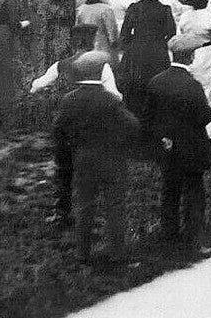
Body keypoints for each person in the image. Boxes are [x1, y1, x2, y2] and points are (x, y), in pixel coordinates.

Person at [53, 52, 140, 264]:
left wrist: (74, 143)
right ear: (101, 72)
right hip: (112, 159)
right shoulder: (110, 100)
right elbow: (133, 126)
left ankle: (82, 254)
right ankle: (117, 255)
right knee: (115, 206)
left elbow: (58, 130)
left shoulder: (69, 100)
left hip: (83, 159)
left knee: (84, 206)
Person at [142, 37, 211, 257]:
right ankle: (194, 240)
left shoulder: (156, 81)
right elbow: (204, 116)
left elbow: (148, 116)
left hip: (167, 148)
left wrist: (162, 137)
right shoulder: (192, 85)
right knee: (194, 193)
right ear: (191, 56)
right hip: (191, 148)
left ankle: (169, 235)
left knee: (169, 191)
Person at [118, 0, 177, 116]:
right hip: (158, 52)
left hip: (136, 53)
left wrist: (135, 42)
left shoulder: (134, 8)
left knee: (135, 91)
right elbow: (171, 33)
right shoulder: (164, 9)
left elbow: (124, 35)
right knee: (157, 90)